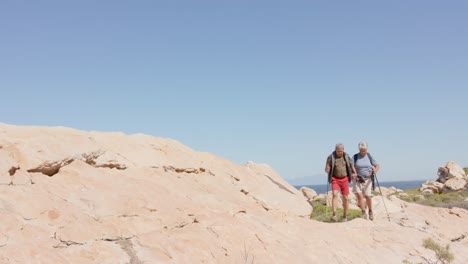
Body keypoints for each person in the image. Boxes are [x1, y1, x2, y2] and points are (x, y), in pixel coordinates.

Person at [325, 143, 357, 222]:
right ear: (335, 150)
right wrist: (327, 169)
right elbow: (326, 168)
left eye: (341, 151)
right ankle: (334, 214)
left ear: (343, 150)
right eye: (339, 151)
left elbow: (351, 165)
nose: (340, 153)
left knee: (345, 198)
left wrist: (354, 172)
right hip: (335, 178)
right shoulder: (330, 157)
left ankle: (345, 216)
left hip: (345, 178)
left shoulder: (346, 156)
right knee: (335, 194)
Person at [352, 141, 380, 221]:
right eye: (361, 150)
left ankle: (370, 211)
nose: (363, 152)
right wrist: (354, 172)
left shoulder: (369, 156)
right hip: (357, 179)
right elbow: (351, 165)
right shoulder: (355, 156)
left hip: (368, 179)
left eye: (364, 150)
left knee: (368, 196)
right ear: (359, 149)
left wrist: (375, 171)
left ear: (366, 149)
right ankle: (363, 212)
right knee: (360, 196)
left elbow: (377, 165)